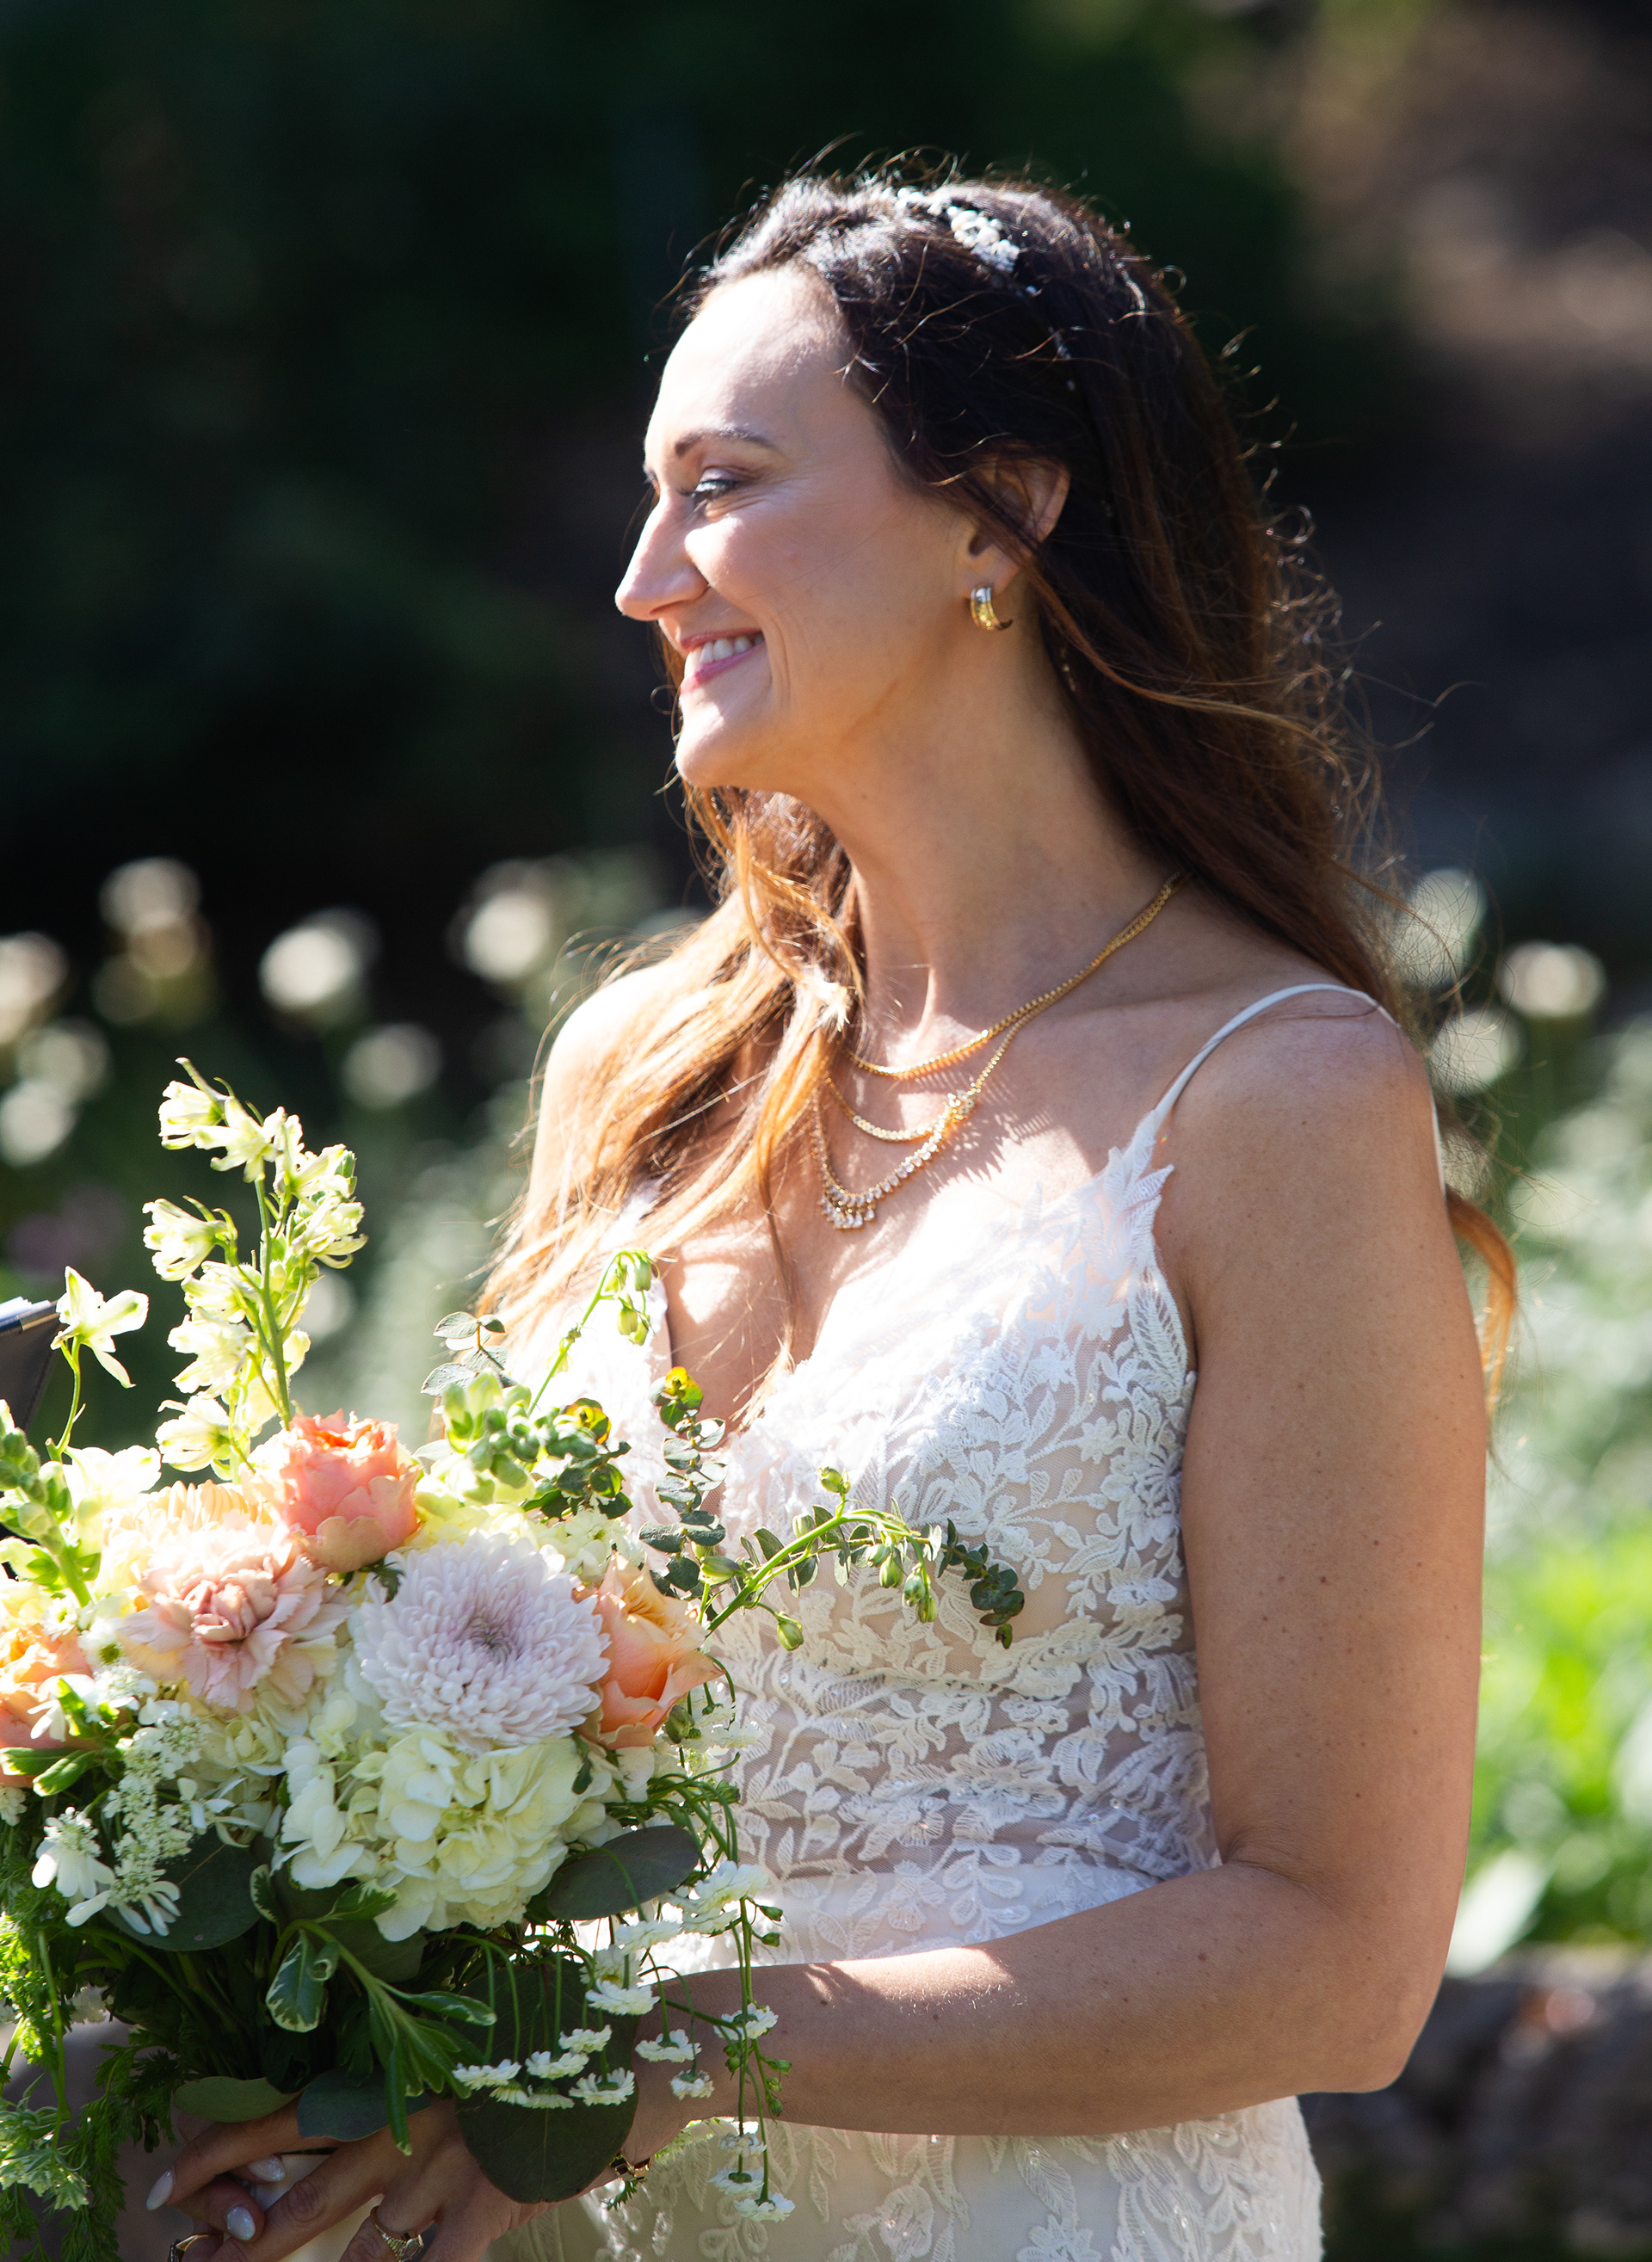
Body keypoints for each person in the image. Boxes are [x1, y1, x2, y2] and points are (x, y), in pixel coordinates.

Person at [157, 169, 1506, 2262]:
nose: (640, 577)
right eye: (649, 492)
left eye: (722, 485)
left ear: (1004, 516)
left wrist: (685, 2043)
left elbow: (1341, 1960)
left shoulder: (1280, 1098)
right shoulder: (644, 1072)